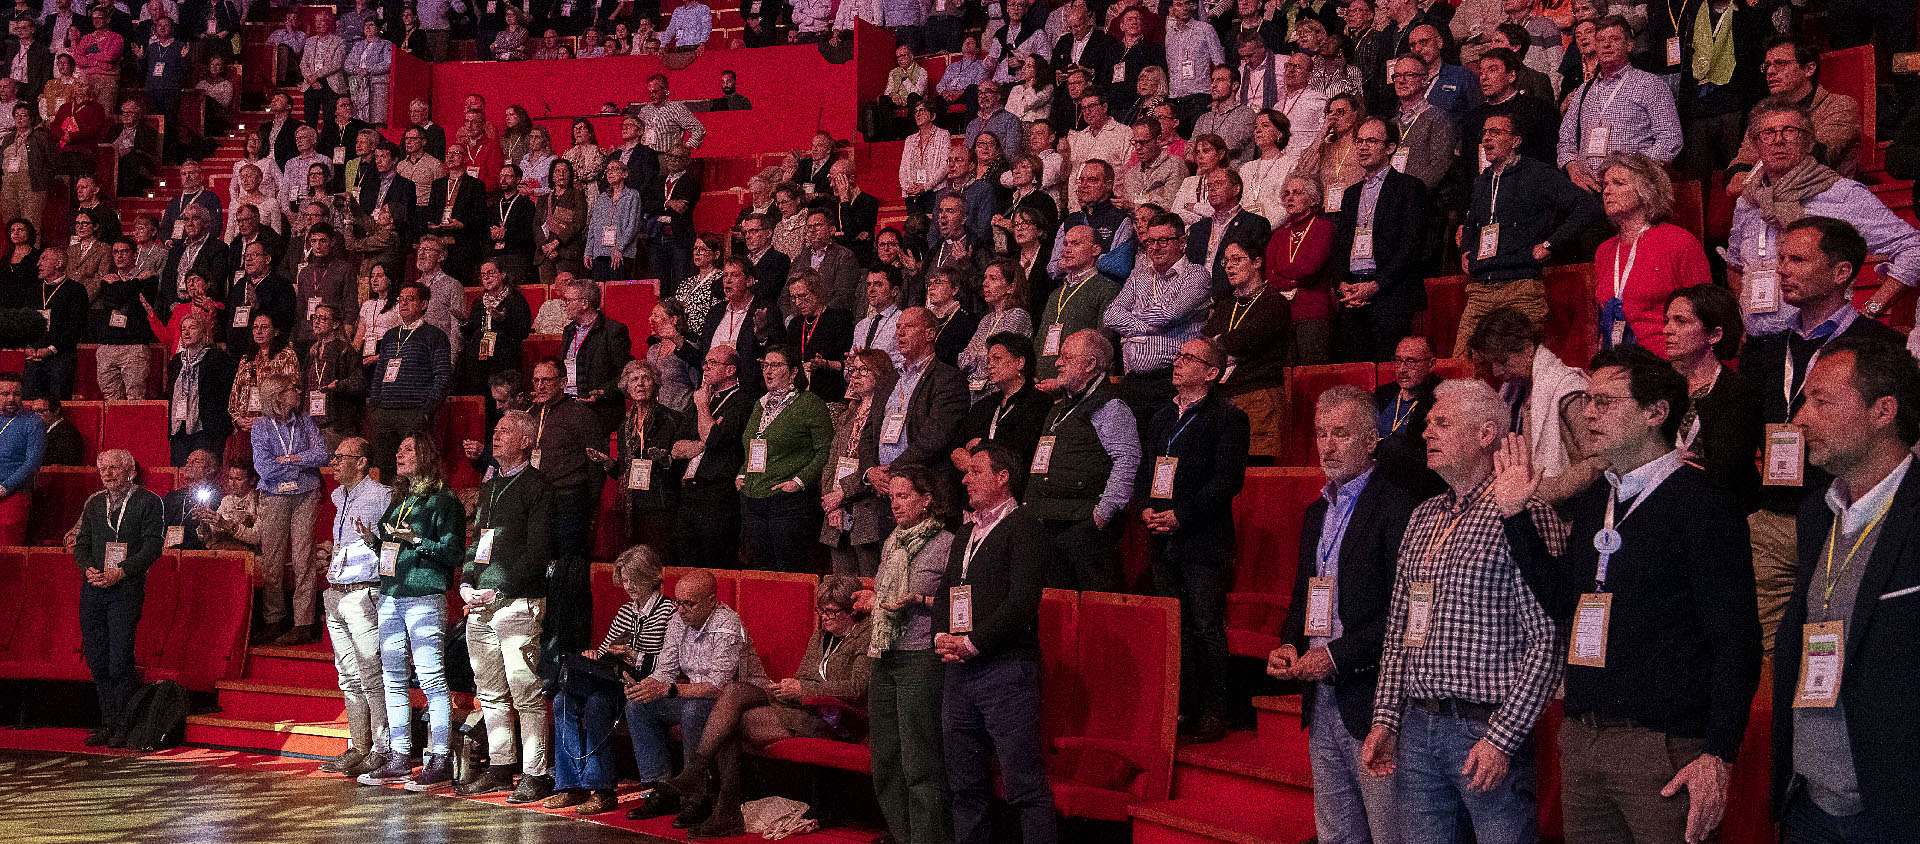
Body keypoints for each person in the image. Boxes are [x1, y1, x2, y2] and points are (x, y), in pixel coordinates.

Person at [1499, 345, 1761, 844]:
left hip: (1662, 746)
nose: (1589, 414)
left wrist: (1719, 752)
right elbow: (1568, 608)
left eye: (1605, 402)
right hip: (1584, 737)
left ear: (1655, 413)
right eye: (1589, 401)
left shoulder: (1701, 503)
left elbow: (1737, 642)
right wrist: (1516, 519)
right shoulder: (1600, 495)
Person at [1360, 378, 1564, 844]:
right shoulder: (1423, 516)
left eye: (1442, 422)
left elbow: (1547, 639)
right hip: (1416, 728)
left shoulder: (1525, 513)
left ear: (1486, 433)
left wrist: (1503, 738)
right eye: (1428, 422)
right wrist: (1386, 718)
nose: (1426, 431)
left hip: (1485, 730)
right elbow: (1399, 632)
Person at [1772, 336, 1920, 843]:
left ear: (1883, 411)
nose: (1800, 421)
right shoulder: (1818, 513)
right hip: (1809, 803)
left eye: (1822, 402)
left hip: (1893, 812)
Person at [1737, 217, 1905, 656]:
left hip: (1843, 514)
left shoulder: (1880, 346)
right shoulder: (1765, 349)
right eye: (1780, 259)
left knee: (1839, 647)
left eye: (1797, 259)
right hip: (1771, 520)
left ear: (1841, 272)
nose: (1782, 270)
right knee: (1767, 662)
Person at [1267, 385, 1415, 844]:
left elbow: (1403, 610)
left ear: (1372, 440)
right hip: (1321, 697)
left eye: (1342, 435)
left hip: (1371, 696)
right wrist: (1289, 642)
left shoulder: (1396, 507)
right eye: (1322, 434)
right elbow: (1302, 595)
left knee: (1389, 833)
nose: (1328, 446)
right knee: (1337, 835)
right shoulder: (1317, 511)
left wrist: (1336, 657)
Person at [660, 575, 873, 838]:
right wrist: (792, 687)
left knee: (730, 719)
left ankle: (717, 799)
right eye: (821, 611)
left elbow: (857, 689)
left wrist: (804, 690)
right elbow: (805, 674)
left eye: (832, 611)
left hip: (838, 718)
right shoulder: (821, 637)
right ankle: (705, 780)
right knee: (733, 693)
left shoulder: (866, 636)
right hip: (805, 707)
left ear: (853, 611)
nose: (825, 618)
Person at [937, 443, 1056, 844]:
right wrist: (942, 634)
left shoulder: (1025, 528)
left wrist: (973, 643)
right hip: (959, 673)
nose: (965, 478)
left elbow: (1022, 603)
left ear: (1003, 477)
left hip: (1005, 671)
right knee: (965, 785)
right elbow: (946, 591)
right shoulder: (967, 531)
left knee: (1023, 786)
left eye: (975, 471)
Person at [1727, 103, 1920, 344]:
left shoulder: (1842, 193)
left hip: (1825, 339)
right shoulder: (1747, 202)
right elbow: (1735, 266)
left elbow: (1913, 248)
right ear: (1756, 145)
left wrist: (1872, 308)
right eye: (1768, 133)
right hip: (1760, 344)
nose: (1778, 140)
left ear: (1809, 143)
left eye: (1789, 131)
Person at [1140, 338, 1248, 741]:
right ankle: (1182, 707)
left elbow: (1227, 481)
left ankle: (1214, 711)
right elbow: (1146, 470)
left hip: (1202, 541)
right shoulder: (1161, 416)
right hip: (1161, 537)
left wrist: (1181, 516)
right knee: (1176, 627)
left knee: (1205, 626)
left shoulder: (1227, 418)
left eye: (1189, 358)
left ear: (1211, 373)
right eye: (1179, 356)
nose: (1178, 363)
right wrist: (1145, 508)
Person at [453, 411, 555, 804]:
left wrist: (501, 591)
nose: (496, 437)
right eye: (495, 431)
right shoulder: (491, 485)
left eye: (506, 432)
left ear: (527, 441)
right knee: (491, 693)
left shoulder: (537, 486)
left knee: (525, 691)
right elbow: (477, 541)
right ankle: (499, 769)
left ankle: (536, 773)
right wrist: (465, 582)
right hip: (480, 603)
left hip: (517, 602)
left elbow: (538, 551)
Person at [355, 434, 466, 792]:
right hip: (391, 594)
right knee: (393, 678)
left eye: (407, 450)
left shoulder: (444, 501)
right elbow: (393, 547)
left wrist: (416, 540)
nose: (398, 455)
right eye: (398, 449)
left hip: (424, 595)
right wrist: (374, 541)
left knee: (432, 678)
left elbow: (452, 553)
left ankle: (439, 758)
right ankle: (400, 756)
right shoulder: (400, 498)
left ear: (426, 456)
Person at [621, 569, 771, 822]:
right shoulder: (677, 621)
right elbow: (665, 670)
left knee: (694, 709)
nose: (680, 609)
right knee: (638, 706)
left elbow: (718, 686)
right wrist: (643, 686)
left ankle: (697, 796)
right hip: (695, 694)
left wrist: (667, 689)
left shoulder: (727, 625)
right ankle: (662, 788)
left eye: (688, 603)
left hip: (734, 701)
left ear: (711, 601)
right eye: (677, 602)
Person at [1456, 113, 1604, 354]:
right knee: (1461, 363)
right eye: (1484, 132)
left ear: (1516, 141)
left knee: (1522, 365)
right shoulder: (1482, 181)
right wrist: (1467, 250)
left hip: (1521, 287)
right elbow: (1472, 221)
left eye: (1495, 132)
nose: (1486, 138)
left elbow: (1586, 206)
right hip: (1480, 289)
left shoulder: (1538, 174)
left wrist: (1550, 244)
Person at [546, 546, 678, 815]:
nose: (628, 587)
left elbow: (670, 663)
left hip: (646, 683)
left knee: (597, 703)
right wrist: (594, 656)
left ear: (651, 577)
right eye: (625, 580)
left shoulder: (668, 612)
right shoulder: (625, 611)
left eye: (634, 580)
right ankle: (569, 785)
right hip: (614, 679)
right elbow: (606, 652)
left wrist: (633, 655)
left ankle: (602, 789)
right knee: (562, 698)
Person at [1027, 329, 1138, 591]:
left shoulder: (1110, 406)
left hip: (1084, 526)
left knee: (1095, 609)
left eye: (1066, 356)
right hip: (1053, 520)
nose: (1057, 362)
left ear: (1090, 364)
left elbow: (1127, 461)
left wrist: (1101, 516)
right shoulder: (1060, 407)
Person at [74, 449, 163, 747]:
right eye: (104, 468)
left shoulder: (148, 502)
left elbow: (152, 548)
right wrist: (86, 567)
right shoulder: (94, 503)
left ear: (131, 471)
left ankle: (127, 726)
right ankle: (108, 723)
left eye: (114, 468)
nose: (108, 473)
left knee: (119, 661)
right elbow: (82, 541)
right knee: (98, 660)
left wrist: (122, 572)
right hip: (94, 588)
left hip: (124, 589)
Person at [316, 437, 392, 778]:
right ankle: (358, 745)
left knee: (371, 674)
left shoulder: (380, 496)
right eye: (333, 456)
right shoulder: (339, 497)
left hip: (363, 592)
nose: (333, 462)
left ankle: (382, 747)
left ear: (361, 462)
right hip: (337, 590)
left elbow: (385, 545)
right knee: (348, 675)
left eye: (341, 457)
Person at [1592, 152, 1711, 356]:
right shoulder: (1605, 251)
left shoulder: (1677, 241)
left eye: (1618, 183)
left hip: (1664, 362)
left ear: (1645, 190)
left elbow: (1704, 310)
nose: (1607, 191)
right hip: (1617, 361)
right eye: (1605, 185)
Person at [1331, 118, 1428, 362]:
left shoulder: (1409, 187)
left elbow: (1411, 246)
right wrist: (1342, 283)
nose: (1363, 147)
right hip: (1353, 295)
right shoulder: (1351, 194)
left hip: (1390, 294)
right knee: (1355, 375)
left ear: (1390, 147)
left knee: (1387, 371)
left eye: (1371, 141)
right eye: (1359, 141)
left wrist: (1375, 286)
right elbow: (1341, 245)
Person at [1663, 284, 1763, 515]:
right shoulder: (1658, 386)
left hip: (1721, 509)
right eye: (1667, 321)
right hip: (1669, 504)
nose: (1668, 329)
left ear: (1715, 334)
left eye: (1681, 321)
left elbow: (1726, 469)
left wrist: (1664, 461)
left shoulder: (1738, 391)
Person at [1106, 212, 1211, 428]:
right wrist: (1146, 326)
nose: (1155, 247)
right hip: (1135, 381)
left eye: (1163, 240)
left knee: (1166, 450)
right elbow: (1110, 315)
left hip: (1172, 380)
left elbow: (1170, 314)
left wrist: (1133, 320)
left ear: (1182, 242)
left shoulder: (1196, 275)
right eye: (1150, 241)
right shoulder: (1139, 277)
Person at [1556, 16, 1683, 192]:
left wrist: (1631, 170)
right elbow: (1566, 139)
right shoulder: (1584, 90)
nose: (1606, 45)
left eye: (1614, 39)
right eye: (1600, 40)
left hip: (1632, 187)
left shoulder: (1650, 84)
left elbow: (1670, 140)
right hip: (1589, 190)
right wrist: (1572, 167)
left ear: (1629, 45)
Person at [736, 345, 833, 571]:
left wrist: (798, 482)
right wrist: (742, 473)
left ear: (793, 371)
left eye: (776, 365)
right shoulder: (759, 405)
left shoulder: (809, 404)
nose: (768, 370)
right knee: (760, 570)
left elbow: (825, 451)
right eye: (765, 365)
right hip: (753, 498)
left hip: (788, 503)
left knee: (788, 570)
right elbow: (752, 446)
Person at [250, 373, 329, 646]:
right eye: (293, 388)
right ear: (278, 396)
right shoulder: (260, 427)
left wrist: (292, 457)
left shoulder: (306, 421)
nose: (298, 391)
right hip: (274, 495)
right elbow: (264, 468)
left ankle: (303, 623)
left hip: (306, 494)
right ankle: (274, 620)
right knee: (272, 560)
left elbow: (322, 454)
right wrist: (300, 465)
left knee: (303, 557)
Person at [1726, 35, 1861, 189]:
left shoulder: (1839, 105)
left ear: (1809, 69)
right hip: (1769, 200)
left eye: (1781, 64)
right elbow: (1743, 159)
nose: (1770, 71)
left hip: (1826, 200)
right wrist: (1738, 177)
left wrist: (1755, 177)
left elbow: (1816, 157)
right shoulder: (1764, 113)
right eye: (1767, 65)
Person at [589, 361, 689, 556]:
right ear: (627, 387)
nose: (640, 384)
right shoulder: (624, 426)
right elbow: (623, 471)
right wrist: (607, 463)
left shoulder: (672, 420)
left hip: (662, 505)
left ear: (656, 383)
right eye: (634, 379)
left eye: (646, 378)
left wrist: (665, 460)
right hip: (634, 507)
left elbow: (682, 466)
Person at [864, 306, 970, 488]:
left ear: (930, 334)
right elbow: (868, 432)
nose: (900, 333)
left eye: (909, 326)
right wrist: (870, 471)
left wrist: (892, 472)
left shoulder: (948, 379)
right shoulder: (887, 381)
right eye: (898, 327)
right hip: (881, 487)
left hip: (922, 486)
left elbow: (934, 438)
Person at [673, 345, 755, 570]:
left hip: (718, 492)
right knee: (687, 563)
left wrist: (702, 409)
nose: (705, 367)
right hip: (690, 491)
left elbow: (715, 439)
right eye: (705, 362)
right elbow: (676, 448)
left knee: (715, 564)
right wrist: (703, 442)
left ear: (730, 370)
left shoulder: (742, 402)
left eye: (712, 363)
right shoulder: (701, 399)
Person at [820, 349, 899, 577]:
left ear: (881, 374)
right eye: (853, 370)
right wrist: (831, 500)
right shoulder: (847, 414)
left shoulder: (886, 414)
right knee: (840, 588)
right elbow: (831, 461)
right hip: (836, 513)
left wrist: (843, 493)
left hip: (867, 511)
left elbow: (879, 464)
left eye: (863, 370)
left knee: (867, 585)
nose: (855, 375)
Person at [366, 283, 452, 477]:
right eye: (400, 299)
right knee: (386, 470)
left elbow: (443, 375)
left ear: (423, 304)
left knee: (416, 470)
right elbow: (380, 372)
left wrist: (427, 409)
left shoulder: (435, 336)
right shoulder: (389, 336)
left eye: (410, 299)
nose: (403, 303)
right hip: (385, 413)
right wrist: (375, 404)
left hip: (414, 413)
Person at [1037, 226, 1121, 383]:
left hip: (1078, 386)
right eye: (1066, 244)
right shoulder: (1056, 294)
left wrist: (1063, 381)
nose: (1067, 250)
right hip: (1042, 384)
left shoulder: (1108, 289)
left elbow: (1102, 346)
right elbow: (1041, 339)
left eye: (1076, 244)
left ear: (1095, 250)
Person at [557, 275, 634, 437]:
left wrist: (602, 392)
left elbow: (626, 373)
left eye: (569, 300)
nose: (565, 305)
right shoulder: (568, 331)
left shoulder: (613, 331)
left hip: (601, 412)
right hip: (571, 407)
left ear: (584, 303)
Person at [166, 311, 235, 465]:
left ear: (203, 332)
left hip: (206, 430)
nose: (187, 332)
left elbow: (227, 394)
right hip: (179, 430)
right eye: (183, 329)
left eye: (192, 328)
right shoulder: (177, 361)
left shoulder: (217, 358)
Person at [786, 273, 855, 404]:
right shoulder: (795, 324)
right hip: (798, 396)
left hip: (828, 395)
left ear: (817, 291)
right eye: (794, 298)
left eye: (802, 296)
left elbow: (848, 364)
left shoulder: (838, 320)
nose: (798, 303)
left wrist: (826, 364)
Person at [0, 373, 42, 544]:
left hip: (14, 495)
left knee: (7, 555)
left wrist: (4, 488)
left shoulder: (33, 422)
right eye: (5, 394)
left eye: (16, 394)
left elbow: (32, 463)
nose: (11, 398)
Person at [25, 396, 81, 467]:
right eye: (34, 412)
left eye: (40, 411)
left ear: (56, 411)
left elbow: (56, 462)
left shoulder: (66, 432)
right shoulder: (42, 429)